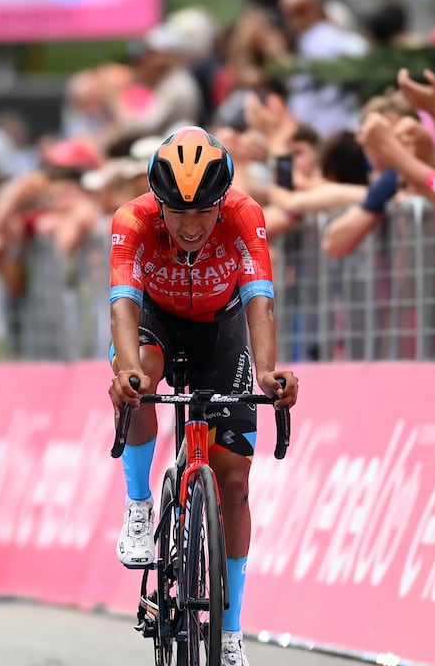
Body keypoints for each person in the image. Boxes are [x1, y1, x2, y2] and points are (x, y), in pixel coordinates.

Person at [106, 126, 299, 666]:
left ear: (222, 202)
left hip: (222, 327)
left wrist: (267, 372)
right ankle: (139, 506)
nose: (191, 227)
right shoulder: (132, 219)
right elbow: (122, 303)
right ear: (158, 204)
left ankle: (230, 633)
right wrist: (127, 372)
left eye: (203, 213)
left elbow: (260, 300)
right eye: (177, 213)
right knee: (138, 380)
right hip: (155, 322)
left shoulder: (244, 214)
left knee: (234, 483)